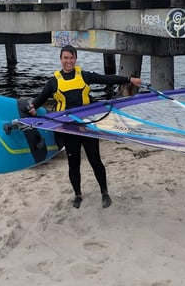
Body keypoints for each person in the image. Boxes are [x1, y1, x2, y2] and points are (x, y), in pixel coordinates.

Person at [27, 45, 142, 209]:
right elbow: (39, 101)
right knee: (73, 164)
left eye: (71, 57)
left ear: (75, 58)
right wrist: (31, 107)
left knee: (95, 160)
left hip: (87, 127)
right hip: (68, 129)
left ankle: (104, 192)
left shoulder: (84, 76)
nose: (68, 61)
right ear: (61, 59)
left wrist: (129, 80)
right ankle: (78, 195)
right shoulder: (53, 82)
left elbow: (106, 79)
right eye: (65, 58)